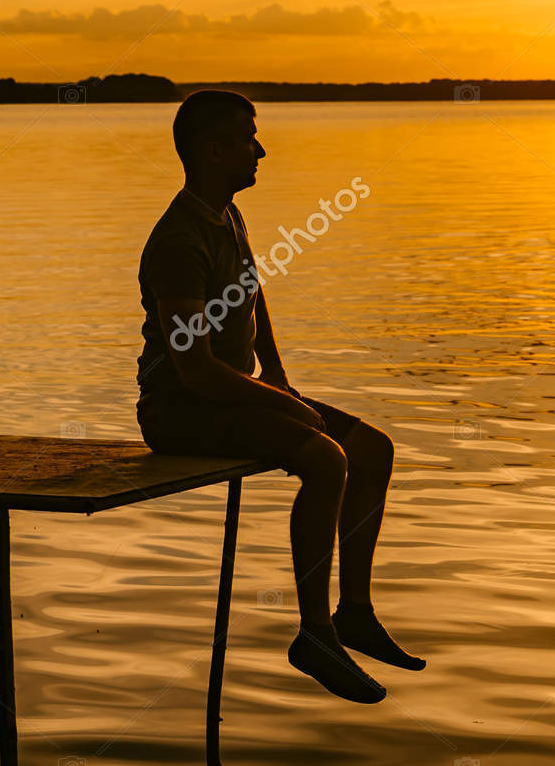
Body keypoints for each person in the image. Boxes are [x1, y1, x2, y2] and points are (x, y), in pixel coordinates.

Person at [135, 89, 423, 704]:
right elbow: (194, 371)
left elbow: (252, 297)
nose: (260, 149)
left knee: (370, 448)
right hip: (182, 412)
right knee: (325, 459)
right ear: (213, 152)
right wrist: (284, 407)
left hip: (233, 397)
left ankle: (354, 612)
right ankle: (314, 635)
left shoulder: (227, 216)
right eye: (246, 138)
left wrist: (279, 378)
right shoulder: (178, 241)